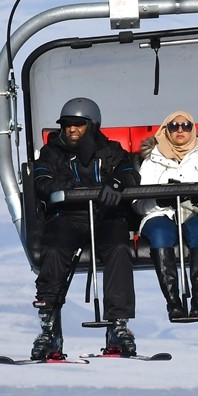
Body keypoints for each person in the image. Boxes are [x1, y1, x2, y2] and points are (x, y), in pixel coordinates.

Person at [31, 97, 140, 359]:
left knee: (118, 248)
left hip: (106, 217)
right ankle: (49, 327)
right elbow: (42, 179)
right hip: (68, 217)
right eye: (67, 125)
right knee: (55, 249)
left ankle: (118, 325)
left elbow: (129, 174)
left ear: (92, 126)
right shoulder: (52, 153)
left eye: (78, 125)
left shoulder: (112, 151)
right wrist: (69, 188)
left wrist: (115, 186)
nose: (71, 130)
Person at [136, 111, 198, 320]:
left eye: (186, 126)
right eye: (174, 126)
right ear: (166, 130)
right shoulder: (152, 159)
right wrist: (159, 200)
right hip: (162, 213)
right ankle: (173, 303)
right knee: (159, 233)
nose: (180, 130)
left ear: (192, 129)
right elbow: (138, 204)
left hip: (197, 212)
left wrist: (196, 200)